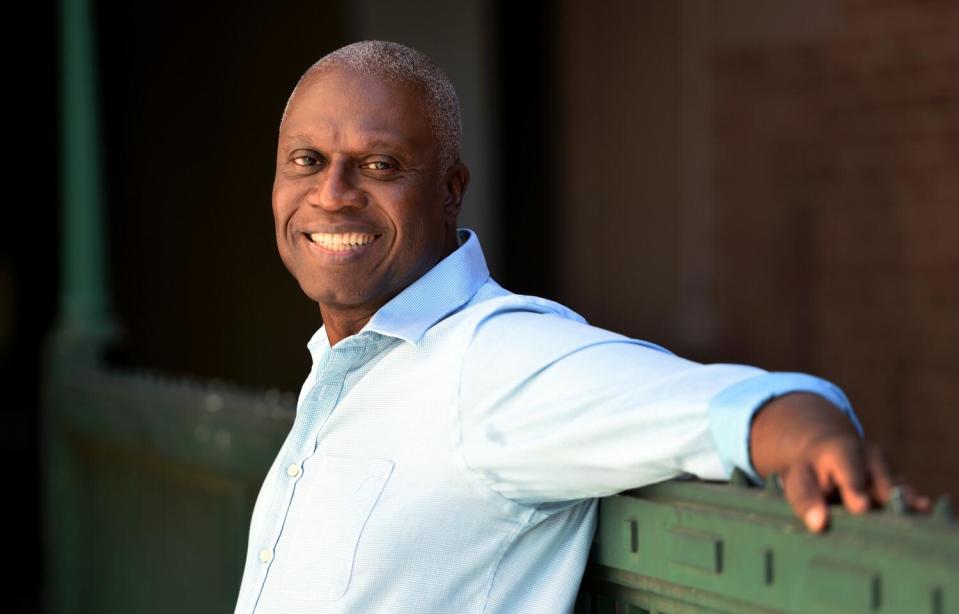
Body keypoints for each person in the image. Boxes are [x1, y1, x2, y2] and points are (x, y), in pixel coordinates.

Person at [234, 40, 929, 614]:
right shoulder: (346, 366)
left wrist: (805, 432)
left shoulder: (496, 361)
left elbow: (722, 406)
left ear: (449, 191)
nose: (331, 193)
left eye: (379, 165)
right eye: (306, 161)